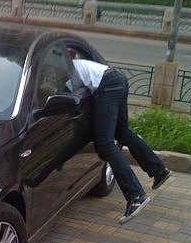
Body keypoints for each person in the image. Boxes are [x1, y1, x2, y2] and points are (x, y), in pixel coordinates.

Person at [68, 51, 172, 224]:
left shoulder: (64, 68)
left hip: (107, 86)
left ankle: (136, 195)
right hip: (117, 79)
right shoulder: (72, 64)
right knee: (122, 131)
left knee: (105, 144)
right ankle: (158, 170)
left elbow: (69, 96)